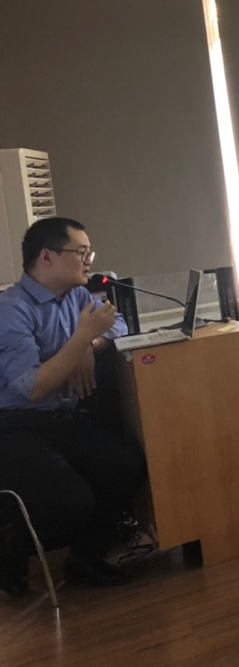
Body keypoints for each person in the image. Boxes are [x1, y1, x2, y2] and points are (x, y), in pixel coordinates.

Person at [0, 217, 147, 596]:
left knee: (127, 466)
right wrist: (80, 339)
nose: (88, 261)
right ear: (46, 257)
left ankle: (85, 558)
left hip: (62, 417)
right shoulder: (11, 310)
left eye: (89, 253)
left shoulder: (77, 296)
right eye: (80, 252)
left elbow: (117, 325)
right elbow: (31, 388)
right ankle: (11, 552)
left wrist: (89, 346)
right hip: (16, 424)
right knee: (69, 501)